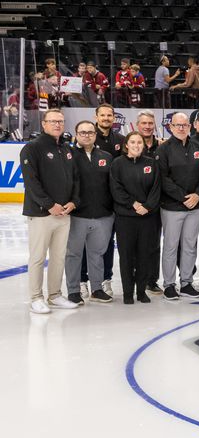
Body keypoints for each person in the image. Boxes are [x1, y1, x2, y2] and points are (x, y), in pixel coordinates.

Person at [21, 110, 80, 313]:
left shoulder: (66, 148)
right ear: (44, 124)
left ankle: (54, 294)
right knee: (38, 257)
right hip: (41, 214)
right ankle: (36, 297)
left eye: (60, 121)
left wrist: (73, 201)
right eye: (53, 121)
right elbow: (31, 183)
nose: (57, 124)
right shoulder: (32, 148)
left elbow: (75, 179)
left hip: (64, 213)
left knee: (58, 256)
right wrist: (49, 205)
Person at [159, 111, 199, 300]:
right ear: (170, 127)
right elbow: (163, 178)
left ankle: (187, 282)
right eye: (177, 125)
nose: (181, 128)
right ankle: (169, 284)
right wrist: (183, 197)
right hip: (172, 207)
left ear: (190, 126)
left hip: (195, 207)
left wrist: (197, 195)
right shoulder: (163, 150)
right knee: (171, 246)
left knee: (190, 246)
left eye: (185, 125)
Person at [64, 121, 116, 305]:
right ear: (76, 134)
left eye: (90, 132)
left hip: (103, 215)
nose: (86, 135)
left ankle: (96, 289)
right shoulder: (68, 155)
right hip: (77, 215)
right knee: (74, 254)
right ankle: (73, 290)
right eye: (82, 132)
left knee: (97, 254)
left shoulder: (106, 156)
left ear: (95, 134)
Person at [108, 133, 162, 305]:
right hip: (126, 218)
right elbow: (116, 188)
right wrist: (133, 204)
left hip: (147, 218)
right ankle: (127, 293)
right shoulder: (117, 164)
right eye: (133, 142)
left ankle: (141, 292)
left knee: (144, 255)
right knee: (126, 256)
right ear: (126, 145)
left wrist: (147, 206)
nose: (136, 145)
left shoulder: (151, 163)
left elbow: (156, 188)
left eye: (139, 142)